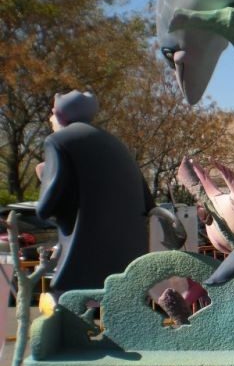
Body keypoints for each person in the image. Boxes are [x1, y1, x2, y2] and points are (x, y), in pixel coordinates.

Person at [37, 89, 154, 293]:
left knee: (67, 309)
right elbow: (148, 204)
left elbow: (45, 208)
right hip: (128, 265)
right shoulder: (118, 146)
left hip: (81, 266)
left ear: (58, 114)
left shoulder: (58, 141)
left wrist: (44, 175)